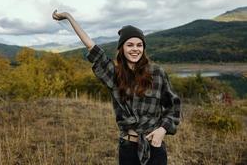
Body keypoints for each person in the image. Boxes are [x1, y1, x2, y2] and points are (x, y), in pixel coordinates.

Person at [52, 10, 181, 165]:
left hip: (154, 147)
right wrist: (68, 16)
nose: (135, 49)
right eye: (130, 45)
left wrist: (163, 130)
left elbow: (174, 106)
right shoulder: (114, 74)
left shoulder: (157, 73)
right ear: (122, 48)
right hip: (128, 148)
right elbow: (92, 48)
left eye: (139, 45)